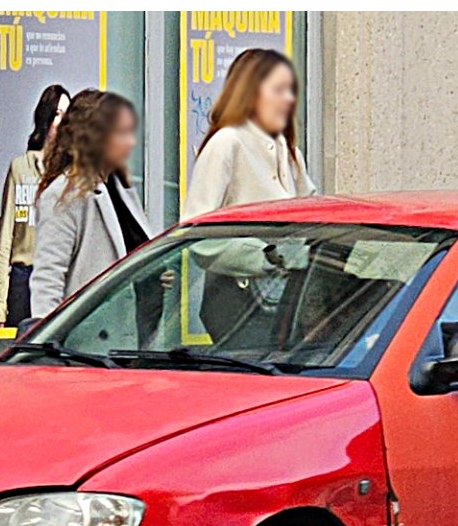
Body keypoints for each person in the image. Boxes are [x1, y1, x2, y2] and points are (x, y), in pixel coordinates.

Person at [182, 48, 317, 342]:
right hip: (240, 302)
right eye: (278, 90)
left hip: (284, 301)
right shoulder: (227, 142)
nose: (288, 99)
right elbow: (197, 234)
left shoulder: (287, 148)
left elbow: (313, 211)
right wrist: (266, 257)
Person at [27, 89, 151, 323]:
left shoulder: (121, 188)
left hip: (130, 336)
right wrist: (47, 346)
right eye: (121, 133)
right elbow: (48, 279)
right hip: (90, 340)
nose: (131, 142)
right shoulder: (64, 196)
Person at [0, 83, 70, 328]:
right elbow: (7, 238)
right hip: (22, 279)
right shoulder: (20, 168)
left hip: (56, 278)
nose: (62, 122)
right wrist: (0, 307)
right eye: (57, 114)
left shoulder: (69, 173)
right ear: (45, 117)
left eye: (67, 115)